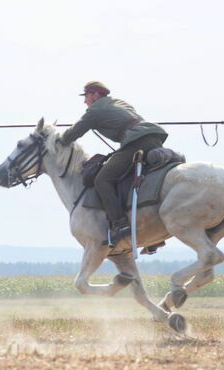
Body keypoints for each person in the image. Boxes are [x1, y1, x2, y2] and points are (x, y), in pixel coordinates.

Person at [57, 81, 168, 253]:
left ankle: (120, 224)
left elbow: (74, 133)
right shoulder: (119, 102)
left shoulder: (94, 111)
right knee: (133, 177)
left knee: (102, 179)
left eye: (86, 96)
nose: (84, 101)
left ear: (95, 95)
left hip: (135, 141)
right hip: (153, 138)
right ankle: (152, 231)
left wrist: (58, 140)